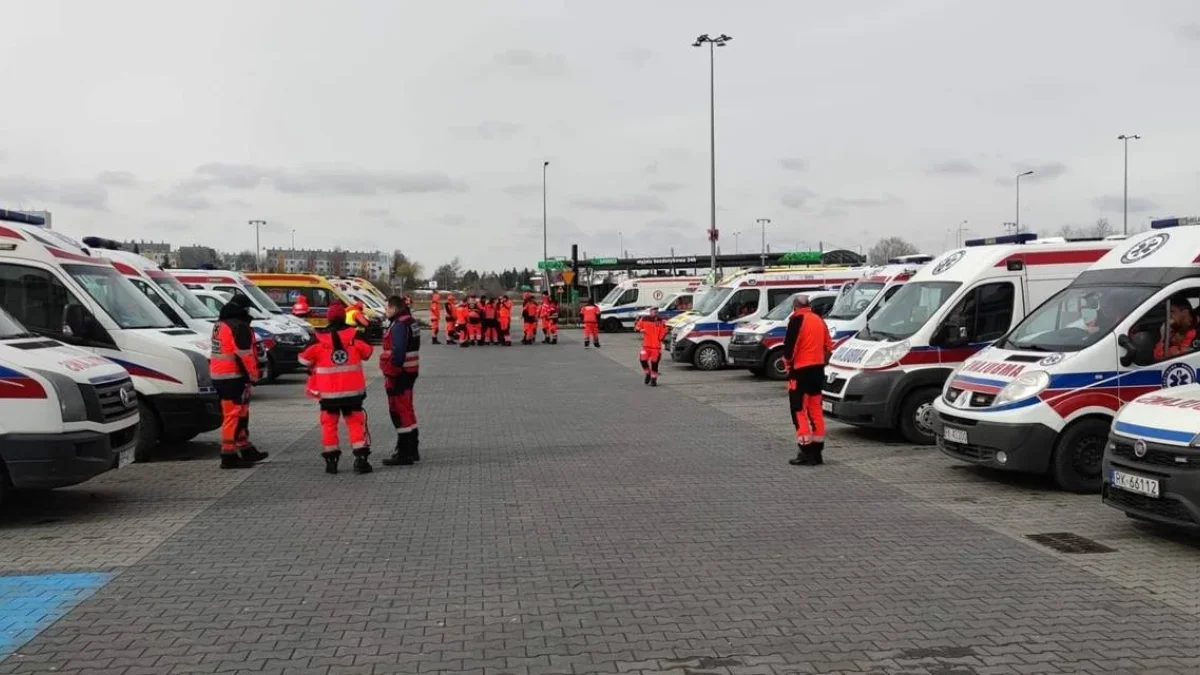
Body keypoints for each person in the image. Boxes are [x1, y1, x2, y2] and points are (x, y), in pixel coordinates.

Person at [298, 301, 375, 474]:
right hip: (353, 392)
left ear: (329, 317)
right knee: (355, 423)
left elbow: (303, 360)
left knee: (328, 425)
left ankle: (331, 462)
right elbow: (368, 353)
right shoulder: (355, 335)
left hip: (328, 394)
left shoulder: (318, 337)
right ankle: (361, 460)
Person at [209, 295, 268, 469]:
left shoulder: (220, 324)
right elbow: (245, 355)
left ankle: (245, 448)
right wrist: (253, 376)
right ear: (242, 309)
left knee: (241, 414)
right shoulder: (238, 326)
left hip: (221, 375)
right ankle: (228, 455)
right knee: (233, 416)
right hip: (232, 377)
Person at [781, 294, 833, 467]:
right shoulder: (819, 320)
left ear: (795, 306)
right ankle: (817, 451)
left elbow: (789, 349)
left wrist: (788, 365)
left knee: (799, 411)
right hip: (817, 371)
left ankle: (805, 450)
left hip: (800, 372)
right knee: (815, 410)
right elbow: (828, 346)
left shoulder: (797, 320)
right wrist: (821, 361)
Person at [380, 295, 421, 466]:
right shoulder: (410, 321)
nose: (385, 310)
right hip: (410, 371)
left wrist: (392, 371)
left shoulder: (399, 325)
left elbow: (398, 353)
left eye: (387, 307)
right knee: (407, 409)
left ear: (394, 308)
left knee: (398, 411)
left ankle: (404, 453)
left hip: (400, 373)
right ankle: (413, 448)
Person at [1154, 295, 1198, 360]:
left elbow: (1161, 358)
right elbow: (1158, 357)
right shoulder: (1173, 327)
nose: (1169, 314)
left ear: (1184, 312)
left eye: (1172, 311)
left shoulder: (1193, 332)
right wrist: (1163, 338)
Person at [634, 307, 669, 386]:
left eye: (656, 312)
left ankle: (654, 379)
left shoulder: (661, 321)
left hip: (656, 347)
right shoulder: (644, 319)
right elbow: (637, 327)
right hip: (646, 345)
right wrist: (640, 330)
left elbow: (665, 331)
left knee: (654, 363)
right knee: (642, 360)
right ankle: (647, 373)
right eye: (654, 311)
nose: (655, 313)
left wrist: (661, 337)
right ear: (650, 312)